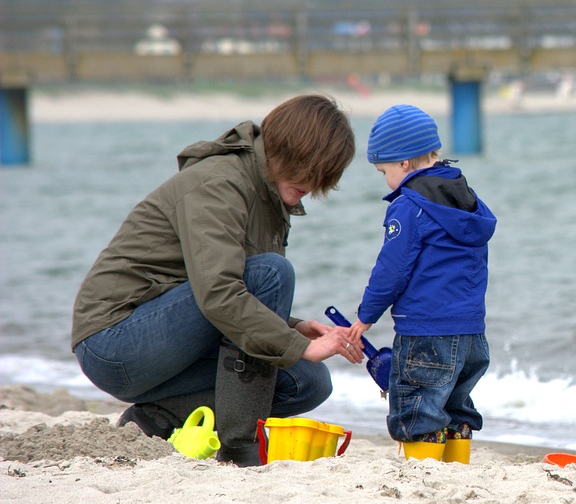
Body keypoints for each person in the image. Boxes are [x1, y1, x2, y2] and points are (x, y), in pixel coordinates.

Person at [71, 94, 361, 466]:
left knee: (308, 382)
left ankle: (157, 417)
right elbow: (221, 293)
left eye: (326, 173)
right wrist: (294, 344)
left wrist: (293, 329)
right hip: (113, 342)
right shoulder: (218, 184)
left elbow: (229, 292)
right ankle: (240, 446)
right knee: (274, 272)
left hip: (167, 336)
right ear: (287, 148)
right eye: (313, 167)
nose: (316, 182)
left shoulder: (269, 194)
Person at [345, 104, 497, 463]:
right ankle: (456, 466)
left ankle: (423, 470)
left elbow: (392, 269)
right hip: (472, 333)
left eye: (384, 171)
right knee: (456, 406)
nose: (385, 179)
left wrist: (366, 316)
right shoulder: (467, 203)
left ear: (404, 164)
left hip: (426, 332)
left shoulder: (408, 207)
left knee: (417, 409)